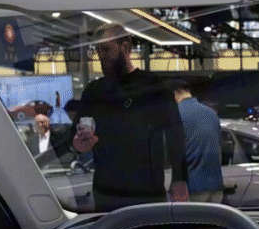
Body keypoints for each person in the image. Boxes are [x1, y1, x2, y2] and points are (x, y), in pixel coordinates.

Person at [71, 23, 188, 211]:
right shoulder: (94, 92)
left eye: (106, 49)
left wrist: (179, 180)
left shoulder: (154, 87)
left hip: (147, 193)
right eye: (98, 51)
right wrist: (79, 144)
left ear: (125, 47)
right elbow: (74, 137)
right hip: (107, 194)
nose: (101, 56)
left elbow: (175, 135)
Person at [172, 79, 225, 203]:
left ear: (175, 94)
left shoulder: (177, 115)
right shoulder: (212, 114)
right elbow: (219, 150)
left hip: (192, 189)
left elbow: (175, 154)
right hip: (216, 187)